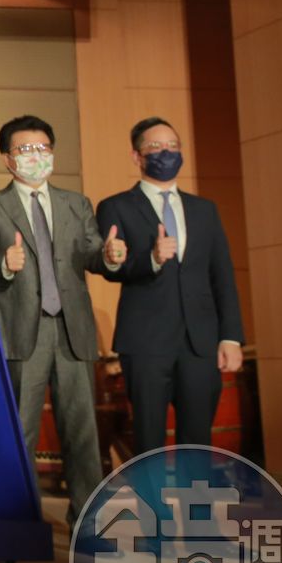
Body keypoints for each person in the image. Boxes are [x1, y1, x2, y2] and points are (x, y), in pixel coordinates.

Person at [0, 115, 128, 526]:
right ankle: (19, 520)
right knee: (20, 431)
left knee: (82, 432)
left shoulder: (76, 203)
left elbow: (92, 252)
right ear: (7, 159)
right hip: (23, 331)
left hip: (72, 331)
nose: (35, 156)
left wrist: (109, 256)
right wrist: (4, 262)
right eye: (25, 149)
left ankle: (87, 520)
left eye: (42, 148)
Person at [96, 117, 245, 453]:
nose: (166, 153)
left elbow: (222, 276)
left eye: (173, 146)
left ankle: (196, 492)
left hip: (199, 343)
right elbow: (112, 268)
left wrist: (230, 336)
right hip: (146, 342)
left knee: (198, 441)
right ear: (137, 156)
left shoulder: (204, 210)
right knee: (148, 440)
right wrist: (150, 258)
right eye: (156, 147)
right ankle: (151, 492)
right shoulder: (115, 207)